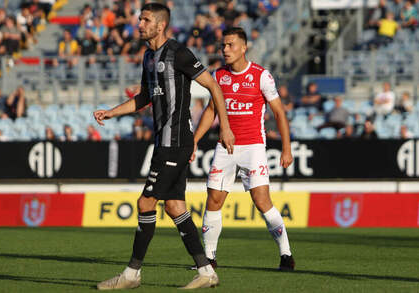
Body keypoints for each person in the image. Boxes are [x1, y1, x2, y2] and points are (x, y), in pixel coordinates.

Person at [93, 3, 234, 290]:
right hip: (164, 143)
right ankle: (206, 271)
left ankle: (132, 273)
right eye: (139, 18)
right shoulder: (147, 57)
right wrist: (111, 112)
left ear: (160, 25)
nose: (139, 23)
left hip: (177, 142)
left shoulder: (178, 52)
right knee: (174, 206)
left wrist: (226, 128)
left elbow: (214, 87)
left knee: (145, 202)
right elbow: (144, 97)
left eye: (145, 19)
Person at [191, 27, 295, 272]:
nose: (225, 50)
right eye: (223, 46)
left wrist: (286, 148)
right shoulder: (218, 76)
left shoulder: (261, 75)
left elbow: (279, 112)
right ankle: (209, 259)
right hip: (224, 147)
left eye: (230, 45)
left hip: (253, 147)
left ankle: (286, 254)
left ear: (243, 47)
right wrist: (195, 140)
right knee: (214, 199)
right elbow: (211, 111)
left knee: (261, 201)